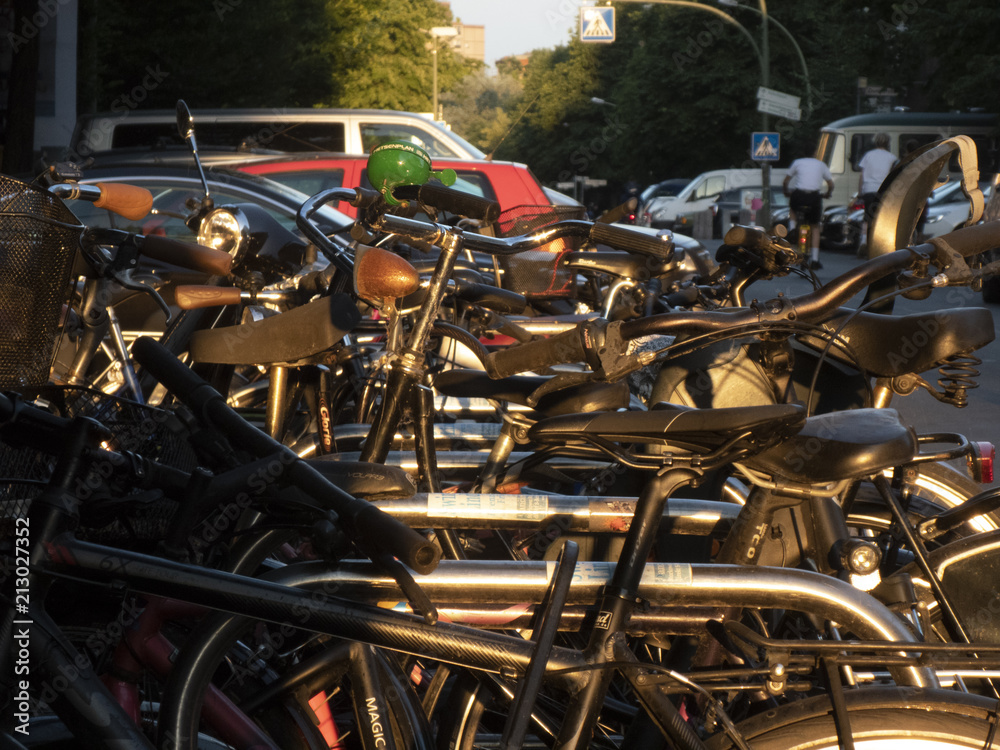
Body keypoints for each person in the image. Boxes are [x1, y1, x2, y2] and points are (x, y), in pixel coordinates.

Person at [783, 147, 835, 270]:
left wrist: (786, 192)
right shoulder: (821, 164)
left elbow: (785, 181)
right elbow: (831, 184)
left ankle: (792, 229)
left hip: (799, 196)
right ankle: (815, 260)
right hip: (814, 197)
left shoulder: (797, 162)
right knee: (815, 227)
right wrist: (828, 193)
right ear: (814, 153)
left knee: (793, 209)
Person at [857, 132, 898, 252]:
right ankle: (880, 243)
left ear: (875, 142)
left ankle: (864, 240)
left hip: (868, 190)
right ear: (888, 143)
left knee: (867, 217)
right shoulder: (892, 158)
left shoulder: (868, 155)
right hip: (883, 192)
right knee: (882, 218)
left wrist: (860, 192)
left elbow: (862, 176)